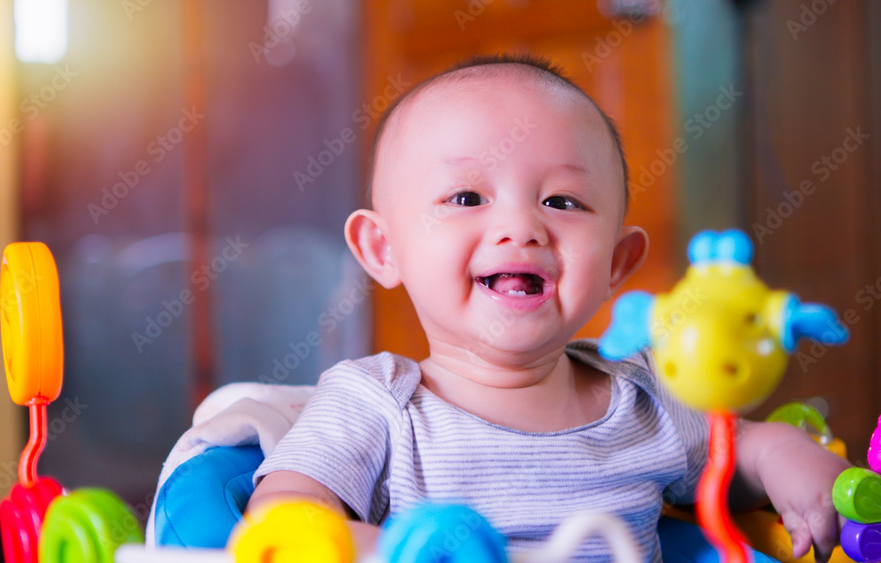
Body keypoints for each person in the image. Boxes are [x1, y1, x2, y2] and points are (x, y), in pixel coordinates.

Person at [247, 53, 849, 562]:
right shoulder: (374, 403)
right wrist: (395, 549)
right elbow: (283, 517)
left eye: (561, 200)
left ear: (616, 264)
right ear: (383, 249)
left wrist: (782, 454)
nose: (520, 226)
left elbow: (733, 458)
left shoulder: (647, 397)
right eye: (466, 196)